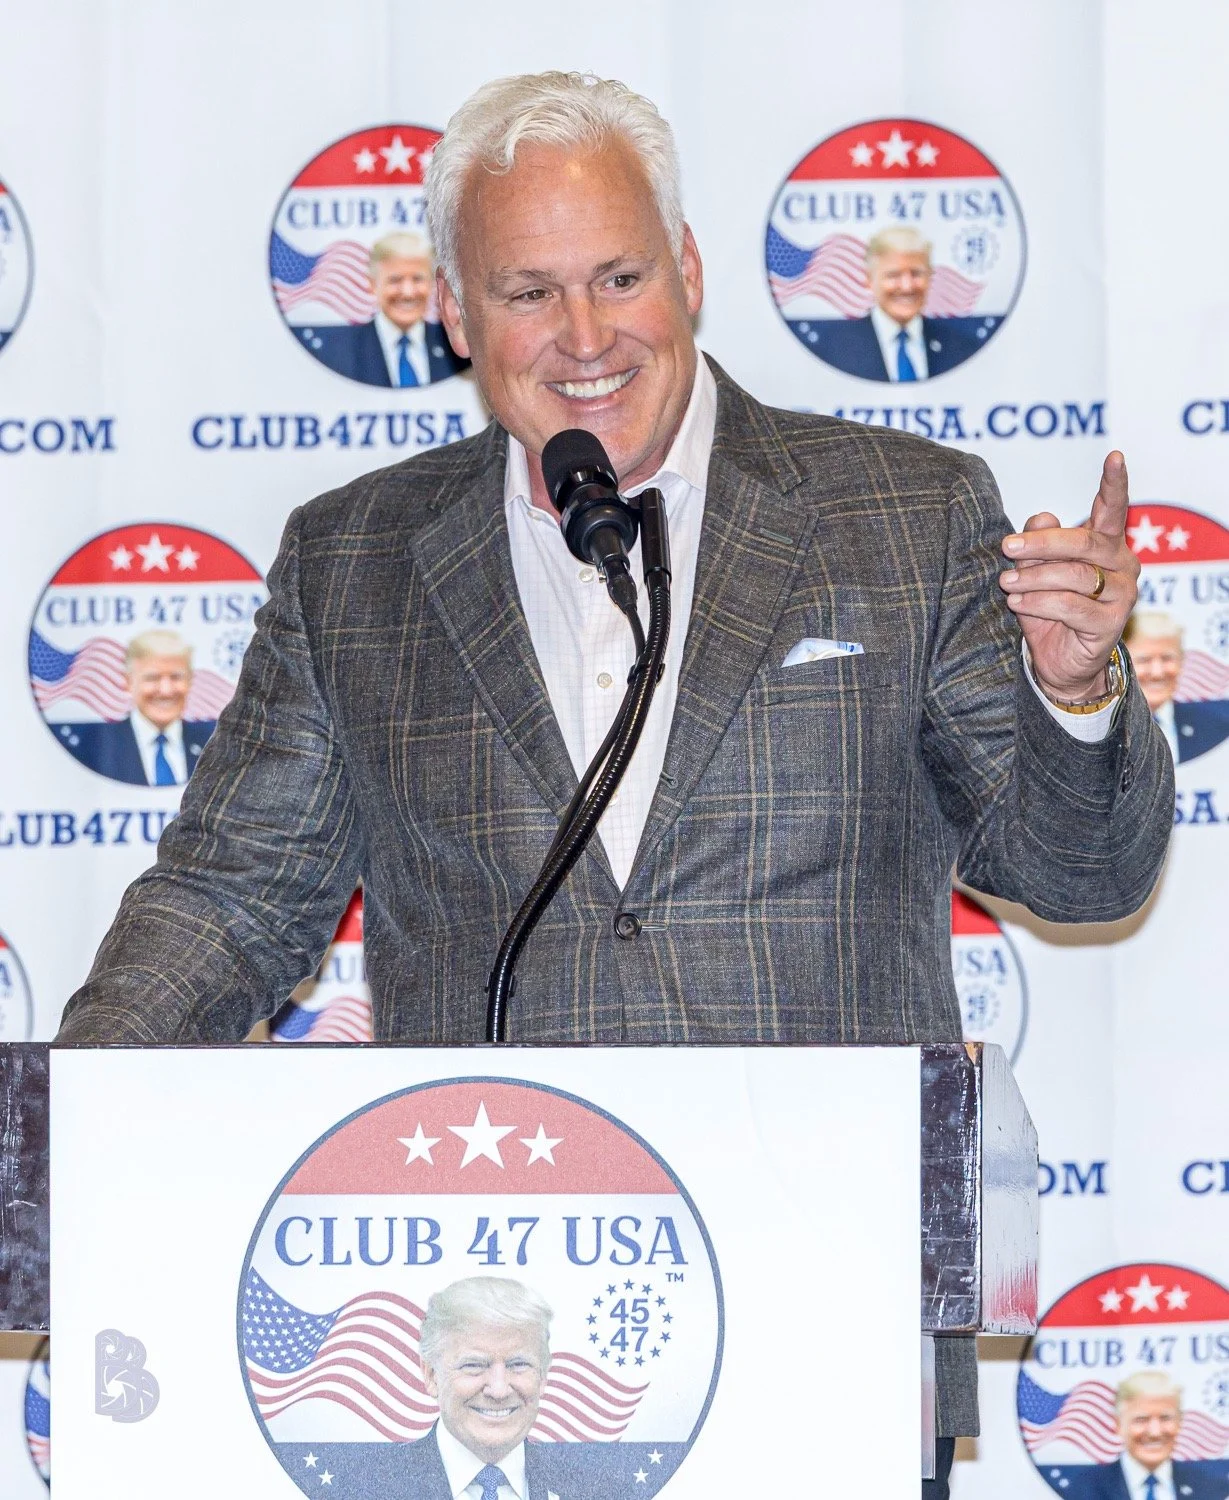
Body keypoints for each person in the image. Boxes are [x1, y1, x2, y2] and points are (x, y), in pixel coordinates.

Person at [59, 72, 1174, 1496]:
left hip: (823, 1315)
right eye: (527, 292)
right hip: (497, 1335)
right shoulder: (357, 561)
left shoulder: (903, 514)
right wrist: (63, 1126)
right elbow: (230, 900)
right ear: (454, 314)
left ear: (690, 269)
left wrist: (1075, 692)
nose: (585, 338)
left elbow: (1078, 872)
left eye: (620, 277)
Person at [400, 1278, 560, 1500]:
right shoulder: (364, 1487)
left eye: (518, 1364)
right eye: (474, 1365)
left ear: (542, 1375)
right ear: (432, 1375)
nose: (499, 1390)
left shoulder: (596, 1486)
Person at [810, 227, 984, 382]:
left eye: (916, 274)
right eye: (893, 275)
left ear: (930, 277)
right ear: (869, 279)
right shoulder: (834, 349)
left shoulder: (961, 348)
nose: (907, 287)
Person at [307, 231, 468, 387]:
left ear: (433, 283)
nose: (407, 292)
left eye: (417, 279)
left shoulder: (457, 346)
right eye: (395, 280)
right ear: (372, 284)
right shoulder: (339, 351)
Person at [63, 629, 215, 786]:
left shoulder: (214, 745)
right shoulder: (96, 747)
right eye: (153, 678)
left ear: (190, 680)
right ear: (129, 682)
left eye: (176, 677)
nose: (166, 690)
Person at [1082, 1372, 1225, 1499]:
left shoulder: (1212, 1490)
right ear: (1119, 1425)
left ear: (1179, 1422)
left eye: (1165, 1418)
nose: (1155, 1432)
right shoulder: (1082, 1490)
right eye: (1141, 1419)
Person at [1123, 610, 1229, 763]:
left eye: (1167, 659)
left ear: (1181, 661)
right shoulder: (1102, 731)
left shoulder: (1218, 723)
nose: (1157, 673)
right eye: (1144, 660)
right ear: (1121, 664)